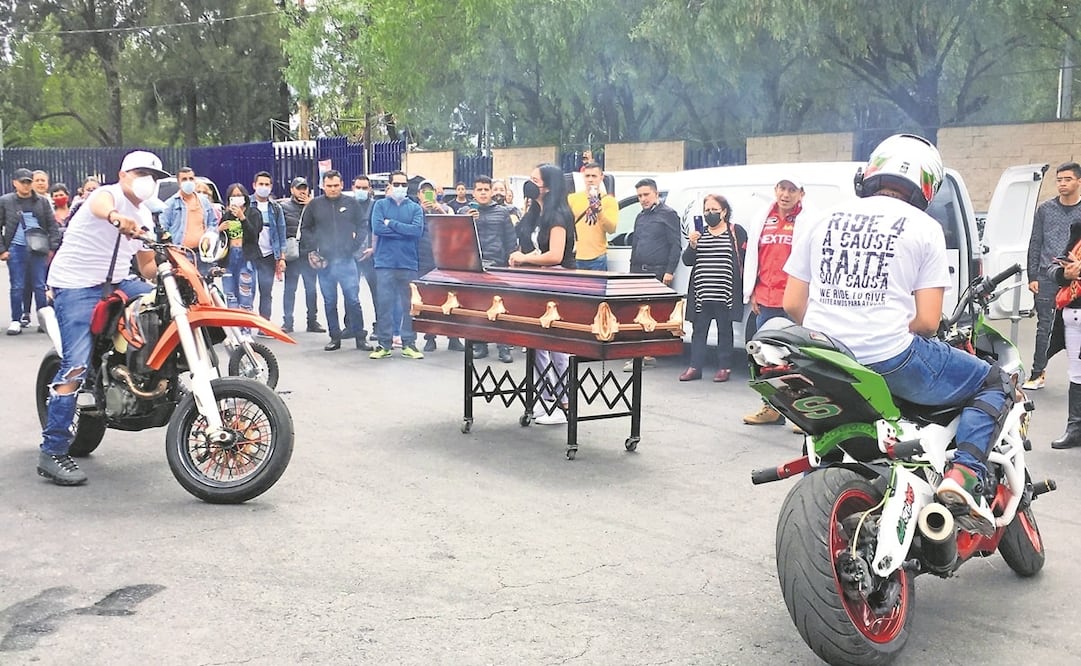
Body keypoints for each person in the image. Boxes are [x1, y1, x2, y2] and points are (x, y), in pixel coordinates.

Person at [783, 133, 1010, 536]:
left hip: (823, 356)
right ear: (926, 186)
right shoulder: (924, 227)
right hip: (887, 359)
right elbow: (927, 321)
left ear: (871, 172)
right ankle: (963, 477)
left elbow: (792, 305)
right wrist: (879, 324)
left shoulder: (820, 217)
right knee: (995, 383)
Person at [35, 150, 169, 485]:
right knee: (76, 366)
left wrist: (171, 268)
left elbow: (147, 266)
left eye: (153, 177)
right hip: (77, 284)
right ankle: (52, 452)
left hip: (117, 280)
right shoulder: (105, 195)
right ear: (123, 174)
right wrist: (114, 218)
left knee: (163, 303)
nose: (148, 182)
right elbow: (100, 206)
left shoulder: (144, 216)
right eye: (141, 173)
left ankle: (138, 365)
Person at [742, 175, 814, 426]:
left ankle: (801, 413)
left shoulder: (807, 220)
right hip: (765, 298)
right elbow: (754, 256)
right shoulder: (763, 217)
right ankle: (771, 407)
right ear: (775, 189)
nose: (785, 194)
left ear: (801, 193)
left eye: (792, 189)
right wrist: (751, 291)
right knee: (767, 358)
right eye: (782, 188)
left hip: (794, 300)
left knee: (796, 357)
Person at [508, 163, 575, 425]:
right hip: (536, 282)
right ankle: (546, 397)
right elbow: (530, 246)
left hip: (557, 282)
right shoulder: (535, 213)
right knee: (536, 343)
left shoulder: (558, 215)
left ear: (547, 185)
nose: (530, 183)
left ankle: (564, 401)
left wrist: (525, 259)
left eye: (534, 180)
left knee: (556, 344)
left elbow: (555, 255)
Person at [1023, 162, 1081, 391]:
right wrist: (1032, 275)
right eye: (1059, 180)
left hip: (1076, 280)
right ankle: (1038, 373)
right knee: (1044, 327)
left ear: (1078, 181)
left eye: (1067, 179)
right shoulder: (1045, 210)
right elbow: (1035, 242)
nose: (1062, 184)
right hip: (1048, 276)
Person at [298, 170, 370, 352]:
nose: (332, 189)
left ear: (342, 184)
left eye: (336, 185)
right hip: (325, 263)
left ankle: (360, 337)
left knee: (353, 300)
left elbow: (363, 225)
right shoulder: (314, 205)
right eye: (329, 186)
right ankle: (334, 337)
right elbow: (305, 229)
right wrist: (313, 249)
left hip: (346, 261)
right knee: (330, 301)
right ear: (323, 186)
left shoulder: (351, 203)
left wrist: (354, 246)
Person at [679, 194, 746, 383]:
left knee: (725, 330)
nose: (710, 213)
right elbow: (687, 261)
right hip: (702, 293)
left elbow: (745, 257)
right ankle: (695, 367)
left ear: (724, 211)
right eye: (706, 210)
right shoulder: (700, 233)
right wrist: (692, 245)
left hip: (725, 293)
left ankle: (724, 367)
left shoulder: (734, 231)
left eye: (714, 210)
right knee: (699, 331)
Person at [624, 177, 680, 372]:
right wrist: (631, 274)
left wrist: (669, 271)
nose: (643, 199)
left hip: (658, 271)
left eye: (646, 194)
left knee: (651, 314)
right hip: (639, 271)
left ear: (656, 193)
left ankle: (646, 354)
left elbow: (675, 245)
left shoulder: (668, 214)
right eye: (639, 196)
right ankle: (641, 353)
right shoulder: (640, 216)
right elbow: (635, 245)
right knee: (637, 313)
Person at [369, 170, 425, 359]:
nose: (400, 188)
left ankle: (409, 344)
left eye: (404, 184)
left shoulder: (415, 207)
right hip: (384, 263)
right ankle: (384, 345)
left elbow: (417, 231)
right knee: (384, 304)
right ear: (390, 185)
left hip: (408, 263)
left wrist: (391, 223)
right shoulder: (380, 205)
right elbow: (377, 228)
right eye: (397, 184)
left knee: (409, 305)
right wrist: (403, 230)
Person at [461, 175, 518, 362]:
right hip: (472, 265)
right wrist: (466, 221)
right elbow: (455, 238)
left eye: (486, 189)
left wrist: (511, 262)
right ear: (474, 192)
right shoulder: (464, 211)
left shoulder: (502, 212)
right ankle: (479, 344)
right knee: (476, 308)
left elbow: (510, 240)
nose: (483, 193)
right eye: (479, 189)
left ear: (492, 191)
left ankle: (503, 347)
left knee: (499, 308)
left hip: (497, 265)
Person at [0, 168, 61, 335]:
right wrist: (2, 250)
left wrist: (52, 247)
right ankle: (16, 319)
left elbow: (52, 225)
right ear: (15, 183)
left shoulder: (41, 201)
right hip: (16, 248)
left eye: (28, 182)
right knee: (17, 285)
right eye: (23, 182)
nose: (26, 185)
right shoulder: (6, 201)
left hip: (38, 248)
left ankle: (43, 320)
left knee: (40, 285)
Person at [416, 179, 464, 353]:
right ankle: (430, 337)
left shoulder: (447, 209)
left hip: (445, 261)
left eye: (430, 191)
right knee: (429, 300)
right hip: (424, 260)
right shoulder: (414, 211)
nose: (427, 195)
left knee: (450, 299)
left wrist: (438, 208)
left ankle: (454, 337)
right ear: (418, 195)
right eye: (424, 192)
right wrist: (422, 210)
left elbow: (455, 227)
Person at [1046, 222, 1081, 449]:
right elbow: (1054, 268)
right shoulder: (1078, 228)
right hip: (1073, 313)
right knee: (1077, 375)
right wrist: (1065, 273)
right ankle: (1075, 428)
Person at [279, 177, 323, 333]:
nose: (302, 191)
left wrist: (313, 207)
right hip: (292, 255)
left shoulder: (314, 206)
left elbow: (322, 226)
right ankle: (288, 322)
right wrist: (281, 256)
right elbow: (280, 230)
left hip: (308, 253)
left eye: (305, 188)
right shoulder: (283, 207)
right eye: (299, 188)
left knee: (311, 288)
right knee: (290, 289)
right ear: (292, 190)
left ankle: (312, 321)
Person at [217, 183, 262, 315]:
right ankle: (235, 329)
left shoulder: (253, 213)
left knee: (245, 293)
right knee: (230, 294)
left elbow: (254, 235)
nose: (236, 198)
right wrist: (219, 229)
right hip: (229, 257)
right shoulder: (226, 215)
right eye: (233, 196)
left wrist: (243, 218)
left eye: (239, 195)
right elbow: (220, 239)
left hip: (245, 256)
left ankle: (245, 330)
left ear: (245, 197)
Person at [250, 171, 286, 332]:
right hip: (250, 253)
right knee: (247, 291)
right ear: (254, 185)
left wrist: (281, 257)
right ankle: (246, 326)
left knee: (266, 290)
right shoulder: (247, 204)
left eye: (266, 184)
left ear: (271, 187)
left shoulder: (275, 208)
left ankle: (264, 325)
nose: (263, 188)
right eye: (260, 184)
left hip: (269, 255)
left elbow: (281, 231)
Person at [159, 166, 217, 269]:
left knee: (203, 284)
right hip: (181, 255)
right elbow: (162, 228)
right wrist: (171, 247)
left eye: (191, 178)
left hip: (203, 254)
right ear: (178, 182)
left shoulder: (204, 201)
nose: (188, 182)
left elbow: (213, 222)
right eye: (184, 179)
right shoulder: (170, 204)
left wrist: (209, 236)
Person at [570, 161, 618, 271]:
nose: (590, 179)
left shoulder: (609, 200)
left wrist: (599, 211)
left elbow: (611, 229)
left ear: (601, 177)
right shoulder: (573, 199)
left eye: (594, 176)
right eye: (587, 176)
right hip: (577, 256)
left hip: (597, 257)